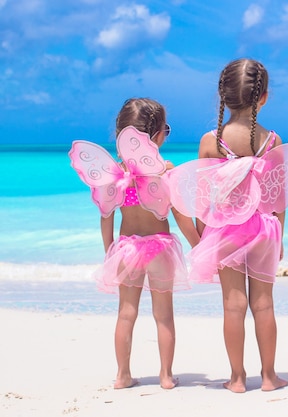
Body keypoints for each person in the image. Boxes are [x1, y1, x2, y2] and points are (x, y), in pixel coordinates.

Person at [167, 58, 288, 393]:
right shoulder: (272, 142)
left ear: (223, 96)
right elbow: (279, 197)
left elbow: (203, 198)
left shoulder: (212, 141)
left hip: (225, 232)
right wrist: (281, 237)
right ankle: (268, 376)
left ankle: (236, 378)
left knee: (233, 305)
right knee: (263, 303)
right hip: (264, 229)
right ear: (263, 97)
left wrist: (204, 237)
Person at [69, 98, 200, 390]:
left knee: (126, 313)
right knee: (164, 314)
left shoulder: (113, 175)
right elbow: (180, 215)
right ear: (154, 136)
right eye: (166, 129)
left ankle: (123, 375)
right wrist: (198, 245)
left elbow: (105, 216)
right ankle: (166, 376)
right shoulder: (164, 170)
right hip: (161, 248)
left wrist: (109, 250)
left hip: (127, 248)